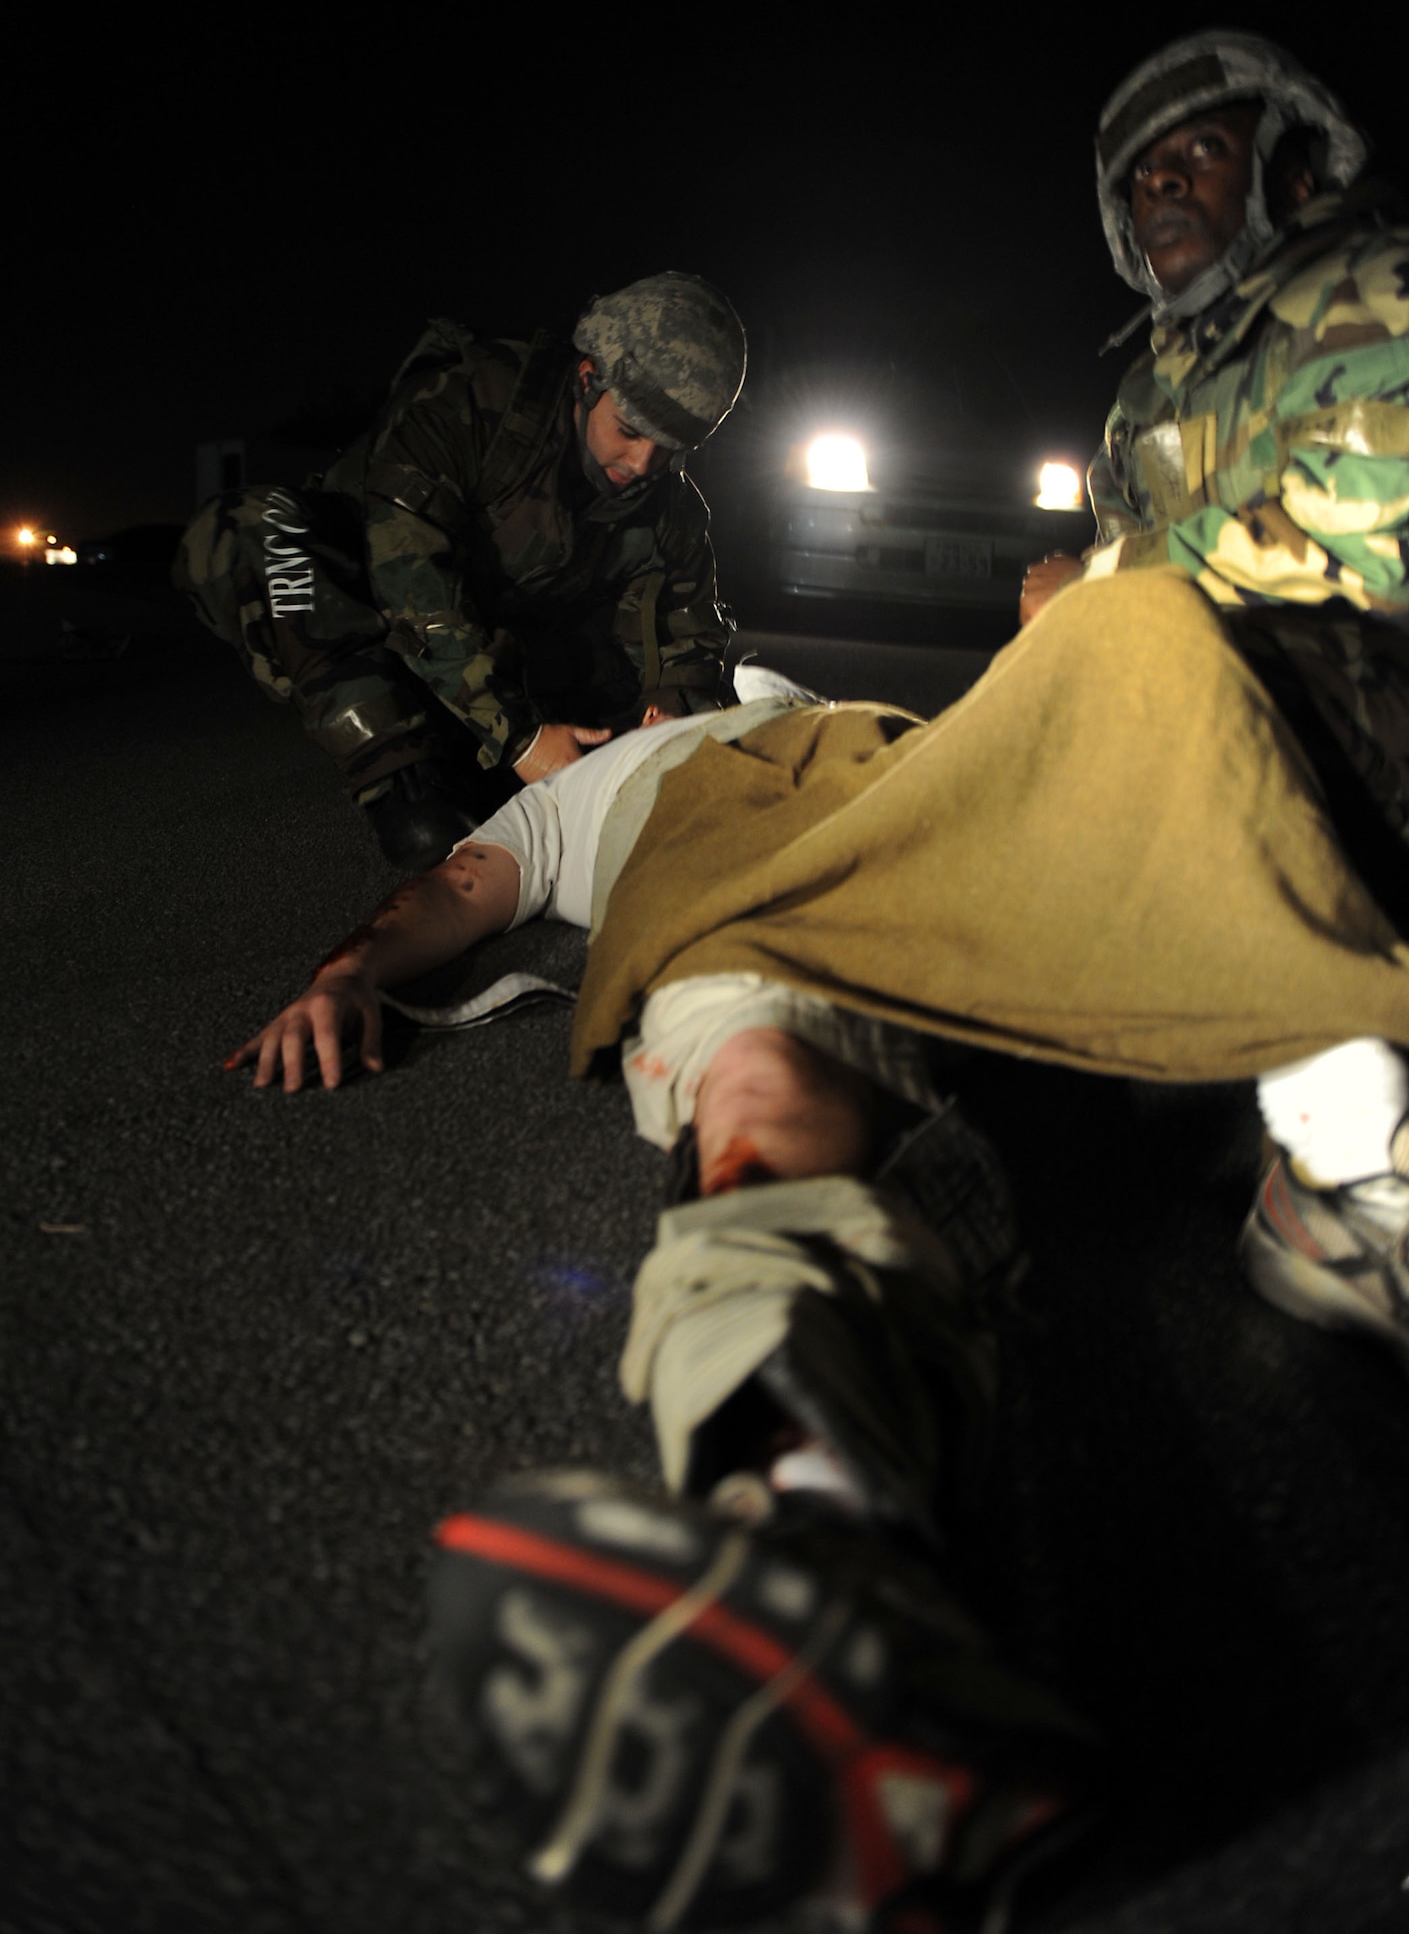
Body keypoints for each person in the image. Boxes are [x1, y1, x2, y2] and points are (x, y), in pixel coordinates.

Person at [229, 565, 1409, 1923]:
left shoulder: (873, 712)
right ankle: (817, 1558)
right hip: (754, 890)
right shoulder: (582, 791)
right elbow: (457, 885)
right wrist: (344, 973)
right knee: (762, 1092)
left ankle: (1344, 1137)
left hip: (946, 823)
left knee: (1130, 624)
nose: (657, 682)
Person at [1015, 30, 1409, 1373]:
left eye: (1201, 151)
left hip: (1369, 718)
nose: (1165, 187)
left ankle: (1346, 1173)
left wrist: (1106, 585)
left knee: (1164, 642)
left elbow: (1383, 531)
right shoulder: (1148, 388)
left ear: (1282, 166)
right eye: (1141, 178)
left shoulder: (1370, 282)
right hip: (1236, 765)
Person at [175, 272, 746, 870]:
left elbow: (689, 634)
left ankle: (494, 762)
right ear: (586, 380)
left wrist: (671, 712)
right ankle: (400, 777)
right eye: (629, 431)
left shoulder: (671, 506)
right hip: (390, 624)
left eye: (671, 446)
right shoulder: (469, 403)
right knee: (250, 527)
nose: (642, 462)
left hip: (512, 652)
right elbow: (412, 583)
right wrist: (519, 735)